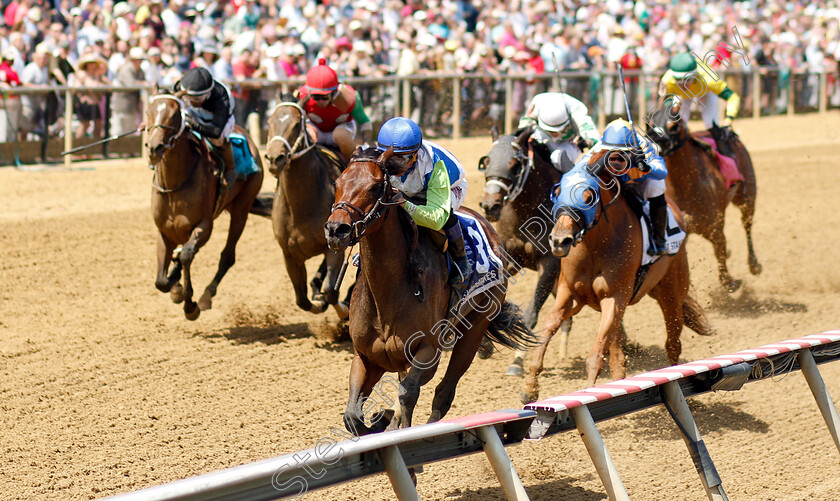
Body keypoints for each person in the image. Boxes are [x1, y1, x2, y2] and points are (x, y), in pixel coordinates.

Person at [375, 117, 471, 287]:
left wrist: (406, 205)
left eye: (402, 159)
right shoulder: (379, 156)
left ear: (415, 154)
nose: (395, 166)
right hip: (409, 188)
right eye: (390, 159)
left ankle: (460, 258)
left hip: (447, 186)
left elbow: (436, 218)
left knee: (442, 217)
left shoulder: (436, 166)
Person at [588, 119, 673, 256]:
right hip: (615, 183)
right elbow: (581, 168)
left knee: (656, 186)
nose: (616, 162)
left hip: (641, 182)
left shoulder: (644, 147)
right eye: (612, 156)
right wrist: (598, 163)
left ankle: (659, 240)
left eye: (621, 156)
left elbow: (662, 172)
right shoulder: (599, 147)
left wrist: (647, 167)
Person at [658, 52, 741, 157]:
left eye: (686, 79)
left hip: (705, 91)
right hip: (682, 95)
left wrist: (728, 120)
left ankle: (724, 155)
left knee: (712, 124)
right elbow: (663, 104)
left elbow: (733, 97)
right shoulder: (667, 80)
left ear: (695, 76)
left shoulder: (709, 80)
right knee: (675, 127)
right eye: (678, 80)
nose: (683, 84)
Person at [296, 59, 372, 161]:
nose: (320, 101)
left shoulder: (349, 97)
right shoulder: (300, 96)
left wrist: (366, 143)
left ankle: (352, 163)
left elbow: (364, 121)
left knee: (340, 135)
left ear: (334, 92)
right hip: (316, 129)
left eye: (324, 97)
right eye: (316, 97)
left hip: (343, 127)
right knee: (307, 134)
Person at [173, 66, 236, 189]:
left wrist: (194, 125)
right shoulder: (181, 85)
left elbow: (216, 131)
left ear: (208, 93)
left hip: (219, 120)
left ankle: (230, 167)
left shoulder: (221, 96)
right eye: (189, 97)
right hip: (193, 114)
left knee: (217, 140)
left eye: (196, 98)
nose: (191, 101)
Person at [518, 91, 601, 172]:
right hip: (542, 138)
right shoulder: (537, 103)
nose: (554, 134)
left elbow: (593, 136)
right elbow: (525, 123)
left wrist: (587, 141)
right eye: (549, 130)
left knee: (557, 157)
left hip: (568, 143)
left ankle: (570, 179)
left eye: (558, 130)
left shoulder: (576, 109)